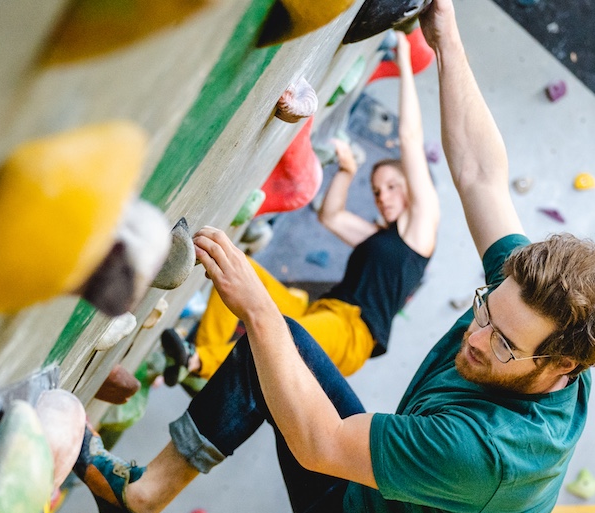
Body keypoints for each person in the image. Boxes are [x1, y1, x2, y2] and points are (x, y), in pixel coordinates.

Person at [71, 0, 595, 513]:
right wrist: (447, 41)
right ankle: (137, 499)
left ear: (561, 367)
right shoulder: (528, 303)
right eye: (484, 312)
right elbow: (480, 175)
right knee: (281, 348)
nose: (475, 338)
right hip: (378, 505)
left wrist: (257, 308)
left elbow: (319, 444)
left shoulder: (489, 451)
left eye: (502, 343)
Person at [160, 32, 438, 388]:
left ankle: (199, 362)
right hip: (319, 311)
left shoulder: (421, 230)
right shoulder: (381, 239)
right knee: (233, 266)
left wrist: (403, 60)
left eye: (392, 186)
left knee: (282, 339)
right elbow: (331, 217)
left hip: (351, 334)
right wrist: (347, 173)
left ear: (412, 188)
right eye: (376, 190)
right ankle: (198, 353)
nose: (383, 196)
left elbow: (411, 139)